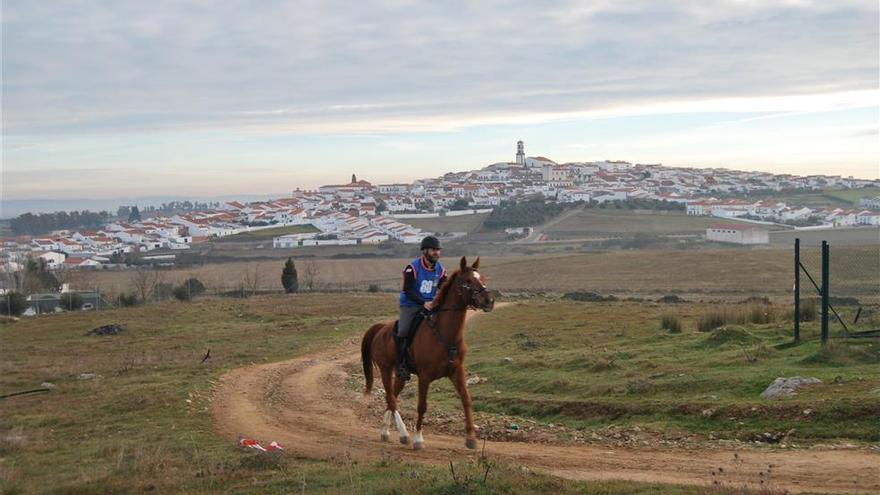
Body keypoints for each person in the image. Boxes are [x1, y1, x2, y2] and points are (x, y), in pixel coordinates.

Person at [396, 235, 447, 381]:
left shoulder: (440, 269)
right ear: (424, 251)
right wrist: (423, 303)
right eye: (433, 250)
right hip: (410, 305)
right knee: (403, 331)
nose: (436, 253)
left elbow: (445, 287)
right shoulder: (412, 268)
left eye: (438, 250)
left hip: (430, 305)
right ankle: (401, 365)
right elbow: (407, 289)